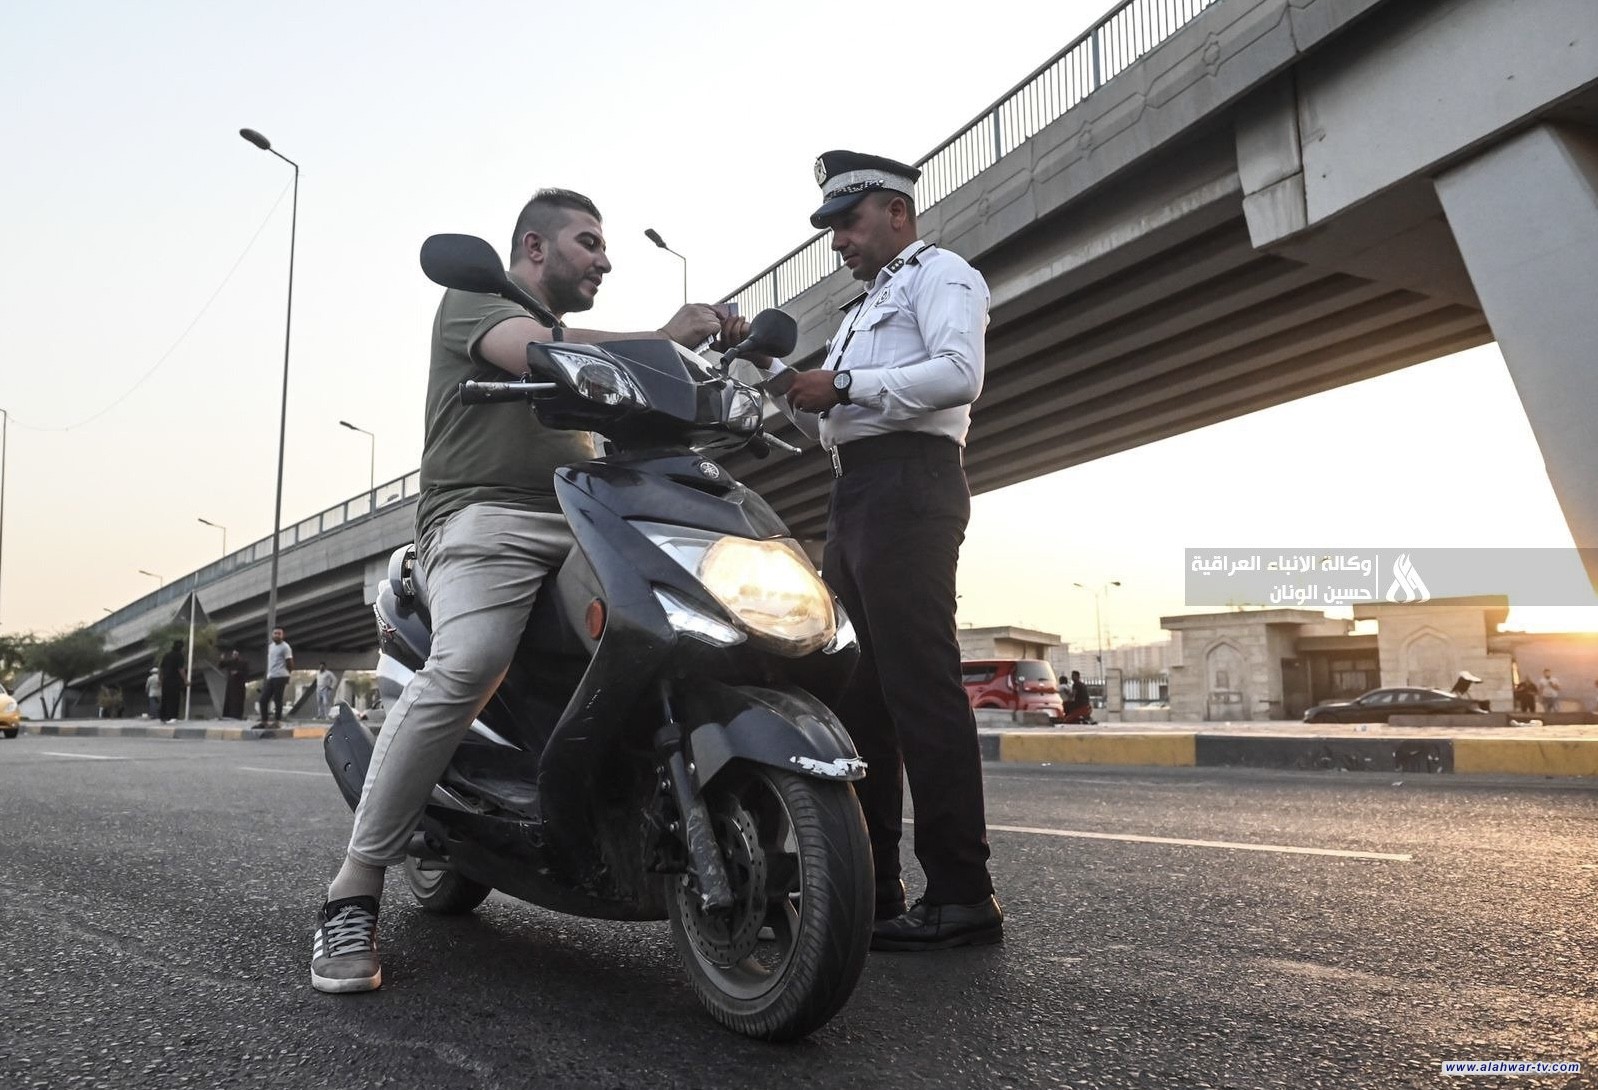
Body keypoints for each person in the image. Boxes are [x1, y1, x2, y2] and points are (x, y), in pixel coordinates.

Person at [309, 188, 730, 995]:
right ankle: (353, 887)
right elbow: (540, 347)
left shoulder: (562, 333)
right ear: (535, 249)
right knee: (470, 664)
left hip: (585, 517)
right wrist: (651, 342)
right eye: (589, 242)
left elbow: (583, 353)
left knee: (676, 629)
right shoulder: (476, 302)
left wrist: (688, 353)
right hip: (481, 521)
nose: (605, 258)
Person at [754, 151, 1001, 952]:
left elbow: (959, 375)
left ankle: (962, 894)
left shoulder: (944, 275)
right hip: (853, 490)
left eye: (848, 223)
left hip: (912, 486)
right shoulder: (861, 312)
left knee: (919, 688)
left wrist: (846, 387)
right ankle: (878, 887)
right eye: (830, 229)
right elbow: (826, 423)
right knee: (856, 698)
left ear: (896, 212)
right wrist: (782, 383)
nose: (837, 243)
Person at [259, 627, 294, 726]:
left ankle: (277, 722)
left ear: (282, 635)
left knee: (277, 699)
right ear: (272, 635)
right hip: (272, 676)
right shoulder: (271, 647)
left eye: (279, 633)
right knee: (263, 699)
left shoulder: (285, 647)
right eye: (275, 633)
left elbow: (290, 662)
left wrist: (287, 675)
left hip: (281, 676)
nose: (277, 635)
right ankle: (264, 721)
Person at [158, 640, 186, 723]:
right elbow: (180, 669)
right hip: (175, 680)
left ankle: (163, 717)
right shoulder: (179, 656)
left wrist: (160, 679)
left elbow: (161, 668)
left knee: (165, 698)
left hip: (166, 680)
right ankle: (172, 717)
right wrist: (185, 680)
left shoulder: (167, 655)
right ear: (181, 647)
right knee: (174, 699)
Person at [221, 648, 249, 720]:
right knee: (229, 700)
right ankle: (228, 715)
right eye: (233, 654)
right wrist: (222, 659)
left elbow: (246, 673)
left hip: (239, 686)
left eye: (235, 654)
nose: (234, 656)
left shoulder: (244, 663)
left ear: (238, 655)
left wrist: (237, 672)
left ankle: (237, 716)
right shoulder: (231, 662)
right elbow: (221, 665)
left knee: (237, 702)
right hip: (231, 685)